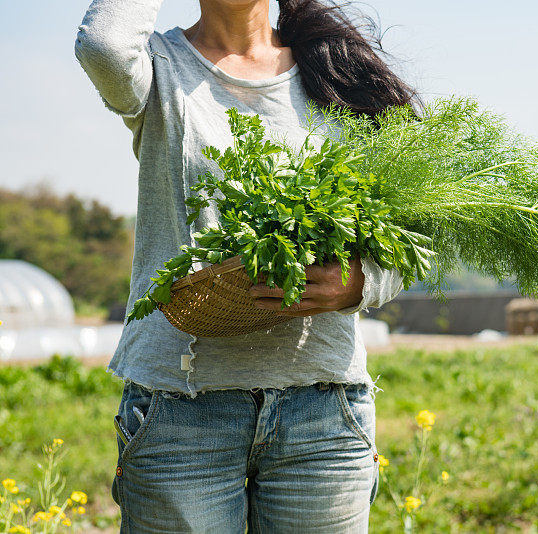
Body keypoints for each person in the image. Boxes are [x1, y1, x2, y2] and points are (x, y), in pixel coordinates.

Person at [74, 0, 416, 531]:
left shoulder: (339, 71)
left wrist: (362, 283)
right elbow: (104, 45)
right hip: (181, 414)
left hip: (323, 414)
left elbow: (412, 234)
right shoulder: (158, 67)